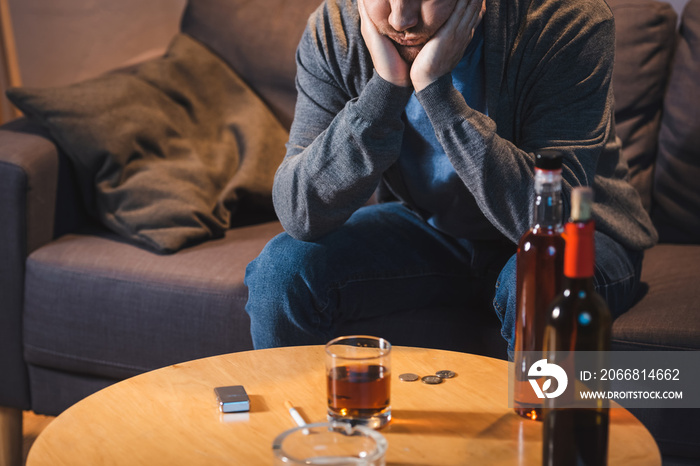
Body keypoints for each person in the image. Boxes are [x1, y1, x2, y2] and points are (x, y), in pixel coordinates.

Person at [244, 0, 657, 356]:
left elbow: (551, 222)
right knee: (282, 271)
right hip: (434, 229)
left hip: (577, 235)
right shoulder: (336, 28)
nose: (402, 19)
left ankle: (535, 446)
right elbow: (299, 212)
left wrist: (438, 94)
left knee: (537, 280)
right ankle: (307, 442)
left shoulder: (565, 19)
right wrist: (384, 91)